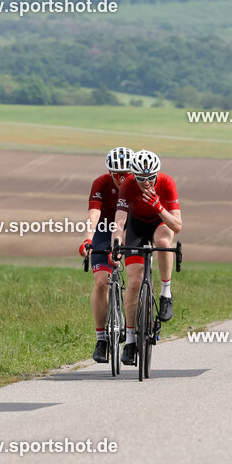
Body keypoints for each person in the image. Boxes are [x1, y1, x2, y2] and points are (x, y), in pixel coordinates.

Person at [110, 149, 181, 366]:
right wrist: (116, 243)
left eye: (151, 178)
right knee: (133, 283)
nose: (147, 183)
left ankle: (166, 293)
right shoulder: (128, 185)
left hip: (161, 221)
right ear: (134, 176)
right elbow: (120, 221)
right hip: (136, 226)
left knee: (163, 243)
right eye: (141, 179)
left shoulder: (167, 183)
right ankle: (130, 340)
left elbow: (177, 225)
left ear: (157, 175)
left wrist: (158, 206)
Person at [80, 147, 134, 364]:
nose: (122, 179)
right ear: (110, 173)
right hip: (104, 228)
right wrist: (88, 240)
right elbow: (93, 215)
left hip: (130, 228)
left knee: (137, 279)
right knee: (101, 281)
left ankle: (137, 326)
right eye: (116, 174)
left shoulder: (136, 183)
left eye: (126, 174)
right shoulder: (101, 183)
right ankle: (101, 339)